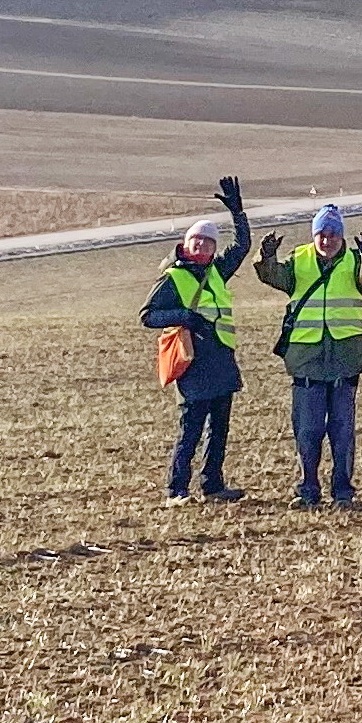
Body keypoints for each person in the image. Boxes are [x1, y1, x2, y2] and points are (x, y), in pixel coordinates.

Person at [256, 204, 362, 509]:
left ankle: (343, 491)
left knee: (342, 432)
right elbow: (271, 275)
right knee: (307, 431)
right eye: (321, 234)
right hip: (307, 360)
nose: (326, 240)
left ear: (341, 236)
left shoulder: (356, 262)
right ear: (314, 235)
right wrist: (266, 256)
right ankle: (307, 489)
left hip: (345, 359)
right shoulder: (299, 262)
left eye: (332, 234)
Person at [140, 176, 251, 506]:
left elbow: (243, 247)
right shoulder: (173, 277)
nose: (201, 246)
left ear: (214, 248)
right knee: (190, 430)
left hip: (221, 361)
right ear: (186, 244)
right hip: (193, 364)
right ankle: (176, 490)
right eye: (196, 241)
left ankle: (213, 486)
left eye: (207, 242)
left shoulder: (216, 271)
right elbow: (147, 315)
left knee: (219, 430)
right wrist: (185, 317)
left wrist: (238, 215)